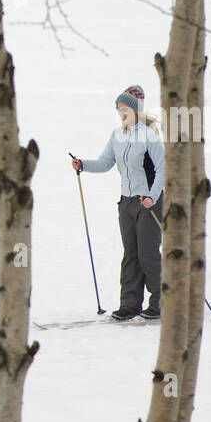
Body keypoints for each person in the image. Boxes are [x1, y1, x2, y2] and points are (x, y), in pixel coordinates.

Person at [72, 84, 165, 321]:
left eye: (125, 109)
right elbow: (105, 162)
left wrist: (152, 197)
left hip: (148, 202)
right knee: (131, 254)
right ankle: (130, 304)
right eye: (119, 109)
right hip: (126, 203)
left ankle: (162, 302)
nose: (121, 113)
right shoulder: (117, 135)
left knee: (148, 254)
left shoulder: (149, 136)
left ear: (137, 110)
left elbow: (163, 169)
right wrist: (83, 164)